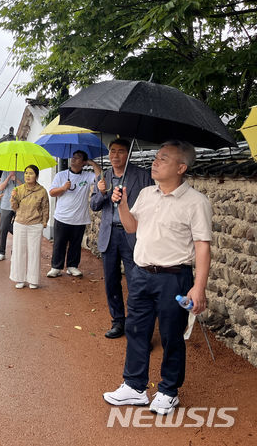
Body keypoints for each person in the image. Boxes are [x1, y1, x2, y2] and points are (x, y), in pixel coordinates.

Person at [103, 140, 211, 416]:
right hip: (141, 274)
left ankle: (168, 391)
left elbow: (202, 245)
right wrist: (123, 204)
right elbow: (132, 227)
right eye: (157, 157)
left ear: (181, 167)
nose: (155, 161)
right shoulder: (147, 193)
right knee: (136, 330)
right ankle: (135, 386)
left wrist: (199, 288)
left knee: (171, 335)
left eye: (163, 159)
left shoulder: (196, 202)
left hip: (174, 278)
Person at [90, 139, 153, 339]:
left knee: (136, 281)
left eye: (121, 151)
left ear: (129, 154)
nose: (115, 156)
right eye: (112, 151)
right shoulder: (104, 177)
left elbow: (151, 205)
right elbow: (94, 205)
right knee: (111, 280)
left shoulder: (143, 176)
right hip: (109, 234)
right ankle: (118, 321)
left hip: (132, 234)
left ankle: (138, 328)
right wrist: (101, 193)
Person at [46, 150, 102, 278]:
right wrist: (63, 188)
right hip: (62, 217)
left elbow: (100, 178)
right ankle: (56, 267)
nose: (73, 159)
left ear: (83, 162)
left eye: (77, 158)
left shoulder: (87, 176)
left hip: (79, 218)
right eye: (73, 157)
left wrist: (92, 163)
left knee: (75, 245)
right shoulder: (61, 175)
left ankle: (72, 266)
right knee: (59, 243)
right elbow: (52, 192)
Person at [9, 165, 50, 289]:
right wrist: (13, 197)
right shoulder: (19, 189)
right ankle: (19, 278)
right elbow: (14, 208)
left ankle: (33, 279)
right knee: (18, 251)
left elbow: (45, 208)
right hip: (20, 223)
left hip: (35, 224)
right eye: (26, 173)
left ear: (36, 176)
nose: (27, 175)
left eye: (31, 173)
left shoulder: (42, 191)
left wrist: (44, 222)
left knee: (34, 252)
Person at [0, 171, 23, 261]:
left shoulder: (24, 172)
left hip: (20, 204)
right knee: (3, 228)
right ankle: (1, 252)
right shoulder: (5, 172)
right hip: (6, 203)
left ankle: (15, 253)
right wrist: (9, 177)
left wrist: (16, 179)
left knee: (18, 228)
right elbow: (1, 187)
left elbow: (25, 188)